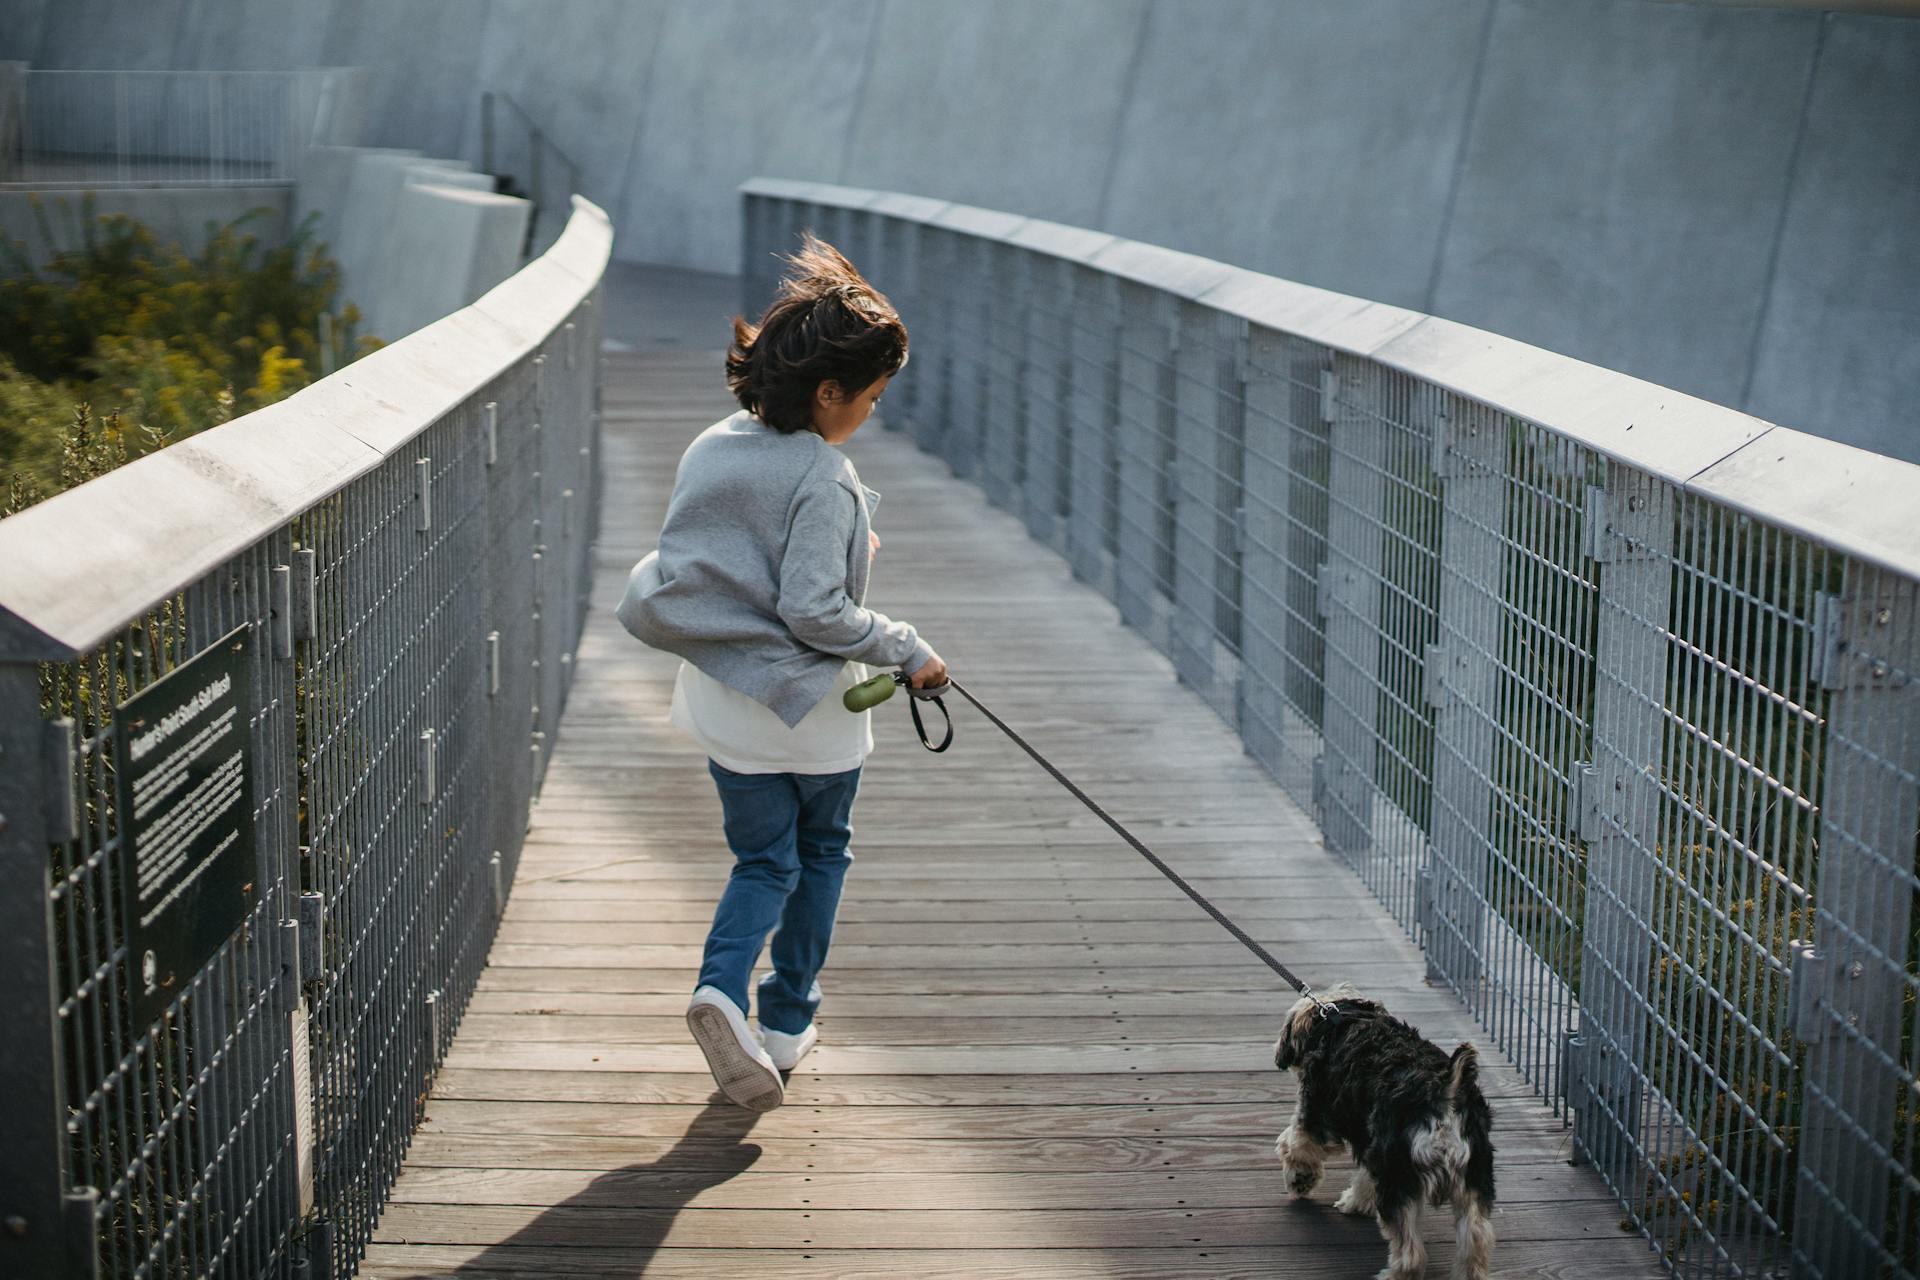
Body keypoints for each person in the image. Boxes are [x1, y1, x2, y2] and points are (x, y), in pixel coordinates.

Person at [614, 233, 946, 1112]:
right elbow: (816, 613)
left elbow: (730, 555)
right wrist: (909, 650)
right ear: (830, 392)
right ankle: (787, 1020)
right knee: (821, 851)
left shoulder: (712, 444)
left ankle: (718, 985)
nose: (871, 413)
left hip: (729, 705)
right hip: (817, 716)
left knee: (761, 861)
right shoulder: (824, 473)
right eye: (870, 399)